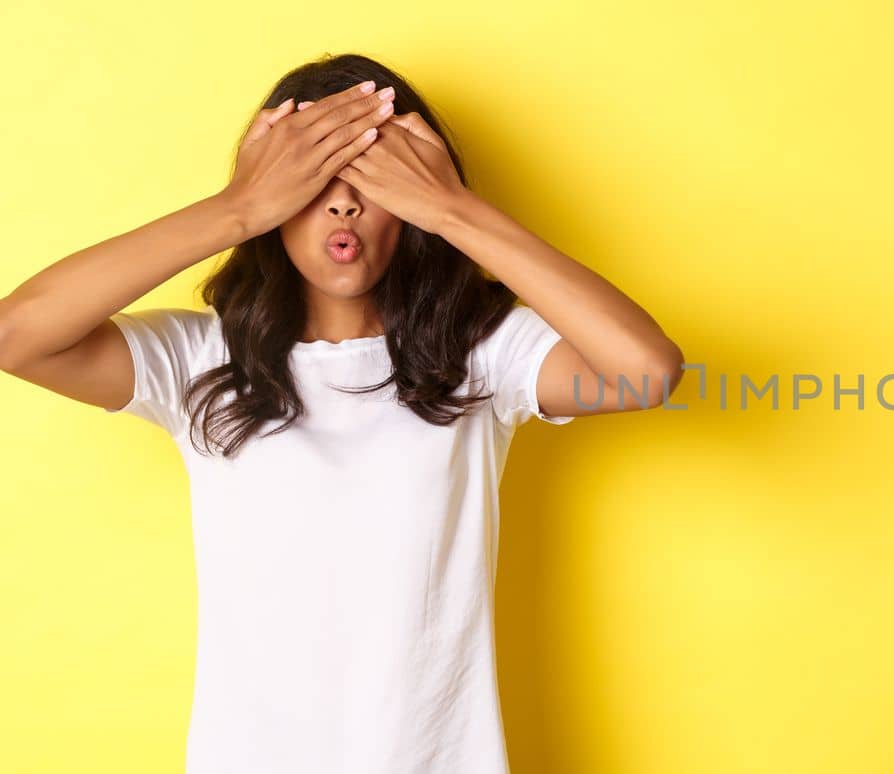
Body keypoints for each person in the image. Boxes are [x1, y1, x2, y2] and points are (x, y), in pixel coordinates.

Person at [0, 53, 684, 773]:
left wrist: (453, 209)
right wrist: (238, 206)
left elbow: (647, 371)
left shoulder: (482, 355)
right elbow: (16, 336)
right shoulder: (199, 360)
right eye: (313, 179)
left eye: (368, 175)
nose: (343, 203)